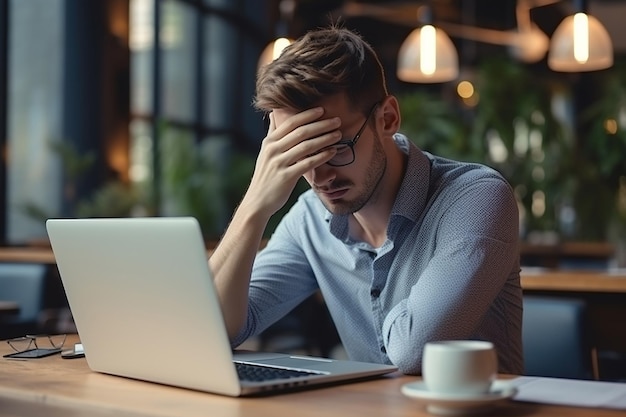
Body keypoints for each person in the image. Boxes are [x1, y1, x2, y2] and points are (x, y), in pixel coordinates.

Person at [209, 25, 523, 375]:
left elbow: (414, 353)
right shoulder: (310, 219)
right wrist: (255, 205)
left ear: (387, 119)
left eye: (336, 147)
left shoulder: (476, 197)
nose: (320, 175)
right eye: (299, 153)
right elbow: (211, 331)